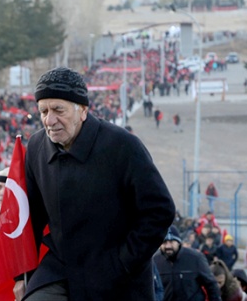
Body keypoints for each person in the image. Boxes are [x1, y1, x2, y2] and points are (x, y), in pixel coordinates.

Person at [16, 67, 175, 301]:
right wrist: (23, 275)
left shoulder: (123, 146)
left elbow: (159, 211)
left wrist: (122, 262)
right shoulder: (36, 147)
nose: (49, 120)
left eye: (58, 110)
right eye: (43, 111)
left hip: (117, 276)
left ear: (83, 111)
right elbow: (30, 218)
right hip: (60, 268)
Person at [153, 226, 221, 301]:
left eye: (172, 242)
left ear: (178, 242)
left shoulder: (195, 258)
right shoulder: (154, 261)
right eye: (164, 242)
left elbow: (211, 285)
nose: (168, 246)